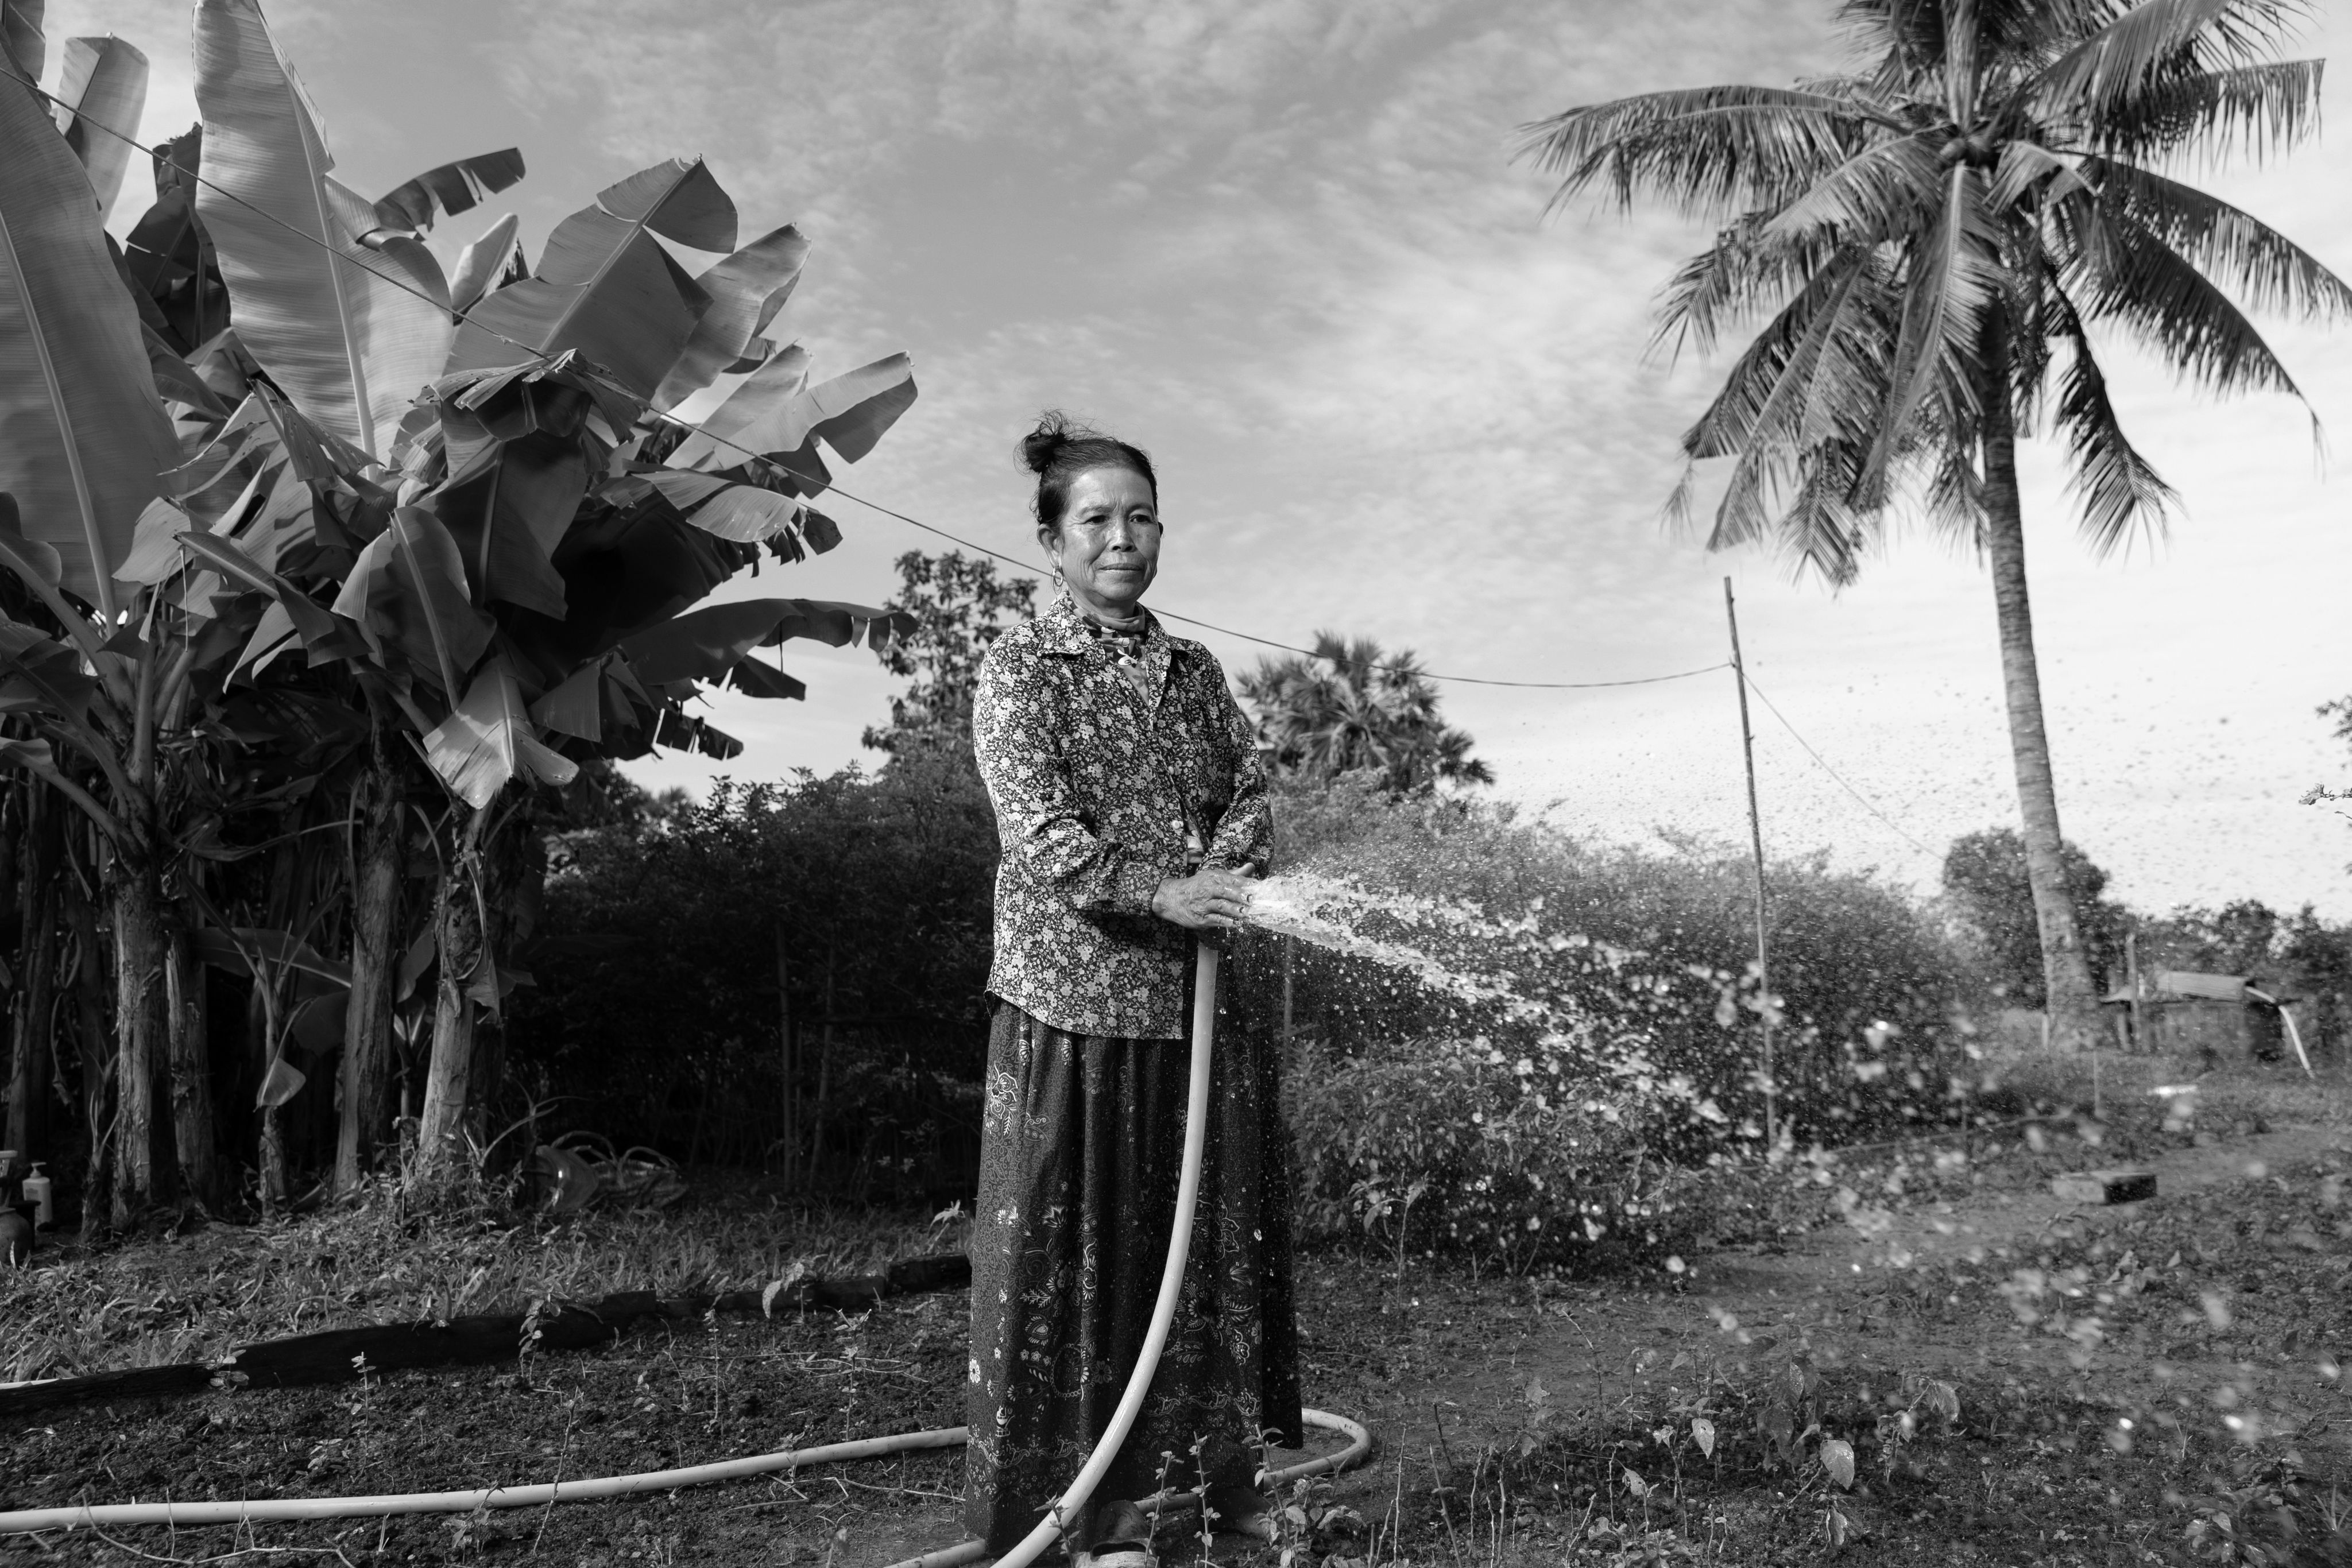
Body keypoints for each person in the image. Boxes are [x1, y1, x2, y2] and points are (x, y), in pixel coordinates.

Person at [965, 413, 1302, 1566]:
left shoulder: (1192, 672)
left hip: (1193, 1011)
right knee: (1079, 1270)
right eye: (1096, 520)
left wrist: (1222, 870)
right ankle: (1070, 1520)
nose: (1123, 538)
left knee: (1196, 1263)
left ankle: (1199, 1504)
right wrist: (1162, 890)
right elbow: (1041, 835)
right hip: (1074, 1010)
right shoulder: (1019, 667)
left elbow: (1250, 792)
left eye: (1141, 517)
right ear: (1052, 542)